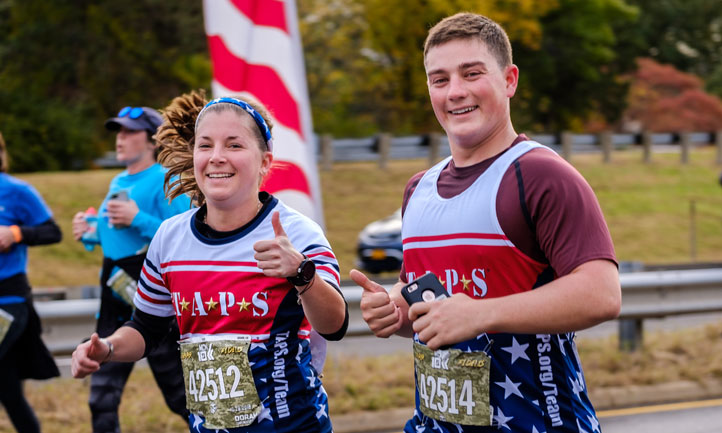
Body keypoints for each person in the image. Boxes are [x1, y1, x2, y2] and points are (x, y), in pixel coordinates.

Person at [351, 12, 621, 433]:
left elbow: (602, 294)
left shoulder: (541, 175)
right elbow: (432, 312)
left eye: (471, 73)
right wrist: (394, 310)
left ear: (510, 80)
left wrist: (480, 314)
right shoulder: (417, 189)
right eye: (439, 80)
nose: (455, 92)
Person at [71, 91, 348, 433]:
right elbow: (146, 330)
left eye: (234, 145)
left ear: (264, 161)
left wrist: (301, 274)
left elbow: (334, 325)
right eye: (205, 145)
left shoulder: (296, 233)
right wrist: (108, 348)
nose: (217, 157)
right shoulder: (170, 239)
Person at [71, 106, 192, 432]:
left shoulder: (166, 178)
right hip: (114, 300)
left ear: (152, 141)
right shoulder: (118, 180)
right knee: (101, 399)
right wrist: (91, 233)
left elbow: (186, 234)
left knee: (181, 398)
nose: (120, 139)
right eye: (118, 132)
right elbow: (118, 235)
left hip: (155, 304)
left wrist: (137, 218)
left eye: (129, 132)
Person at [0, 131, 62, 433]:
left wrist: (17, 234)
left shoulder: (16, 191)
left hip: (8, 301)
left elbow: (53, 232)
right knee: (9, 391)